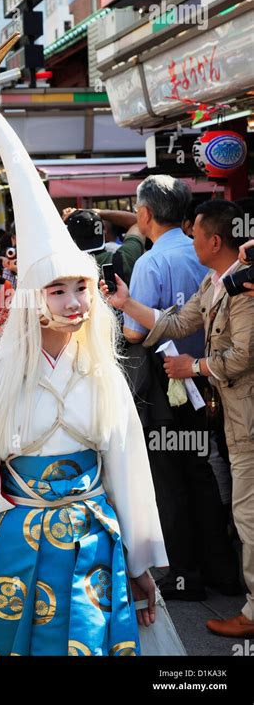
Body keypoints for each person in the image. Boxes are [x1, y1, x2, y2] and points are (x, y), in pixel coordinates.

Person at [0, 38, 169, 656]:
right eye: (58, 291)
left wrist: (141, 565)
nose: (76, 303)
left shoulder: (102, 372)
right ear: (31, 299)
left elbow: (128, 471)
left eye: (82, 288)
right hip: (15, 549)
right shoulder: (0, 377)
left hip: (94, 548)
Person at [102, 198, 254, 638]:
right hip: (232, 416)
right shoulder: (215, 280)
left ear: (215, 240)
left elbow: (243, 354)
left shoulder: (242, 289)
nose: (190, 240)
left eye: (197, 234)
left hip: (245, 417)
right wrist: (128, 303)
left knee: (245, 513)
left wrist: (196, 368)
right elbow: (176, 321)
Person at [122, 179, 240, 602]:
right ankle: (222, 570)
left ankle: (184, 573)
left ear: (145, 214)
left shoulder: (151, 263)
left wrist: (124, 313)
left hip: (169, 383)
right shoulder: (205, 261)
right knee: (202, 474)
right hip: (208, 383)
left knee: (169, 479)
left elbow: (137, 333)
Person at [65, 208, 144, 285]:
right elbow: (139, 222)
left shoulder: (64, 265)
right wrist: (97, 212)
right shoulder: (123, 259)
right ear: (103, 231)